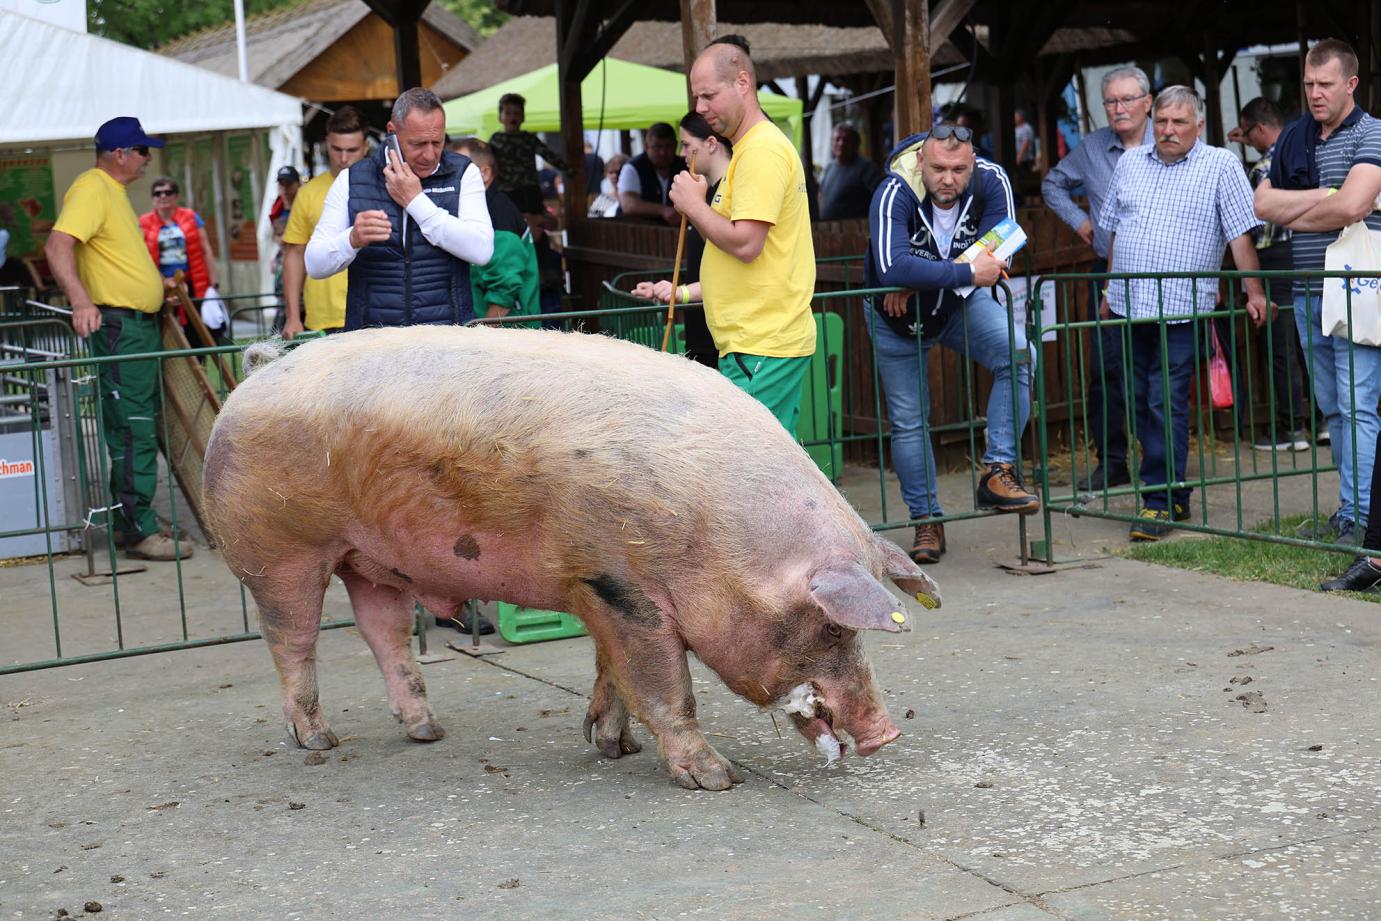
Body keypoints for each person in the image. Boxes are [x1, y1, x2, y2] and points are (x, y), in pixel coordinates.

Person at [1101, 86, 1267, 542]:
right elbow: (1116, 231)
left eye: (1178, 122)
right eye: (1161, 122)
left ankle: (1156, 501)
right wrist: (1108, 287)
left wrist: (1253, 291)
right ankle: (1173, 492)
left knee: (1164, 399)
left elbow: (1240, 239)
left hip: (1183, 309)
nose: (1168, 130)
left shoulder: (1220, 165)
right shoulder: (1130, 162)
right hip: (1128, 307)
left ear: (1198, 125)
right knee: (1136, 399)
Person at [864, 122, 1035, 565]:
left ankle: (997, 471)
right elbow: (890, 268)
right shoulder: (894, 190)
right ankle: (926, 519)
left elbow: (1002, 251)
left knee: (1019, 354)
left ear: (972, 163)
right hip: (895, 315)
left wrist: (921, 278)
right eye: (938, 168)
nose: (948, 179)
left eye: (959, 169)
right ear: (921, 161)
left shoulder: (991, 180)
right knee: (909, 420)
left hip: (958, 304)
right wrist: (959, 272)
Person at [44, 116, 194, 562]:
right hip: (119, 327)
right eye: (143, 151)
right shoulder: (93, 187)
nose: (149, 160)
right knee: (133, 427)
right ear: (120, 154)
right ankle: (138, 529)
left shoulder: (112, 193)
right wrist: (81, 302)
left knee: (138, 423)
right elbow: (57, 245)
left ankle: (136, 520)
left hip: (135, 325)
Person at [1254, 38, 1381, 547]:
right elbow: (1262, 204)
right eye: (1308, 84)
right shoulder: (1293, 137)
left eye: (1324, 84)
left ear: (1350, 83)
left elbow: (1352, 206)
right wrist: (1321, 199)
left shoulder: (1373, 134)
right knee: (1331, 406)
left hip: (1357, 289)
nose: (1314, 94)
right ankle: (1351, 512)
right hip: (1306, 289)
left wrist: (1308, 207)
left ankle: (1365, 519)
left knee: (1358, 404)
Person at [669, 34, 816, 435]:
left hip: (762, 344)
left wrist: (693, 205)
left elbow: (747, 244)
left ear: (742, 83)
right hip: (755, 343)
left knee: (748, 479)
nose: (699, 108)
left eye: (708, 96)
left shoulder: (761, 152)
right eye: (697, 97)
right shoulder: (750, 149)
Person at [1042, 65, 1156, 492]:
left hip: (1158, 273)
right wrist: (1082, 222)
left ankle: (1157, 460)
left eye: (1128, 99)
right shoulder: (1091, 147)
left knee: (1154, 369)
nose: (1119, 108)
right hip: (1107, 272)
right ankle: (1111, 462)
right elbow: (1052, 184)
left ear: (1147, 102)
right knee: (1105, 371)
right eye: (1111, 101)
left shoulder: (1165, 141)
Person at [305, 88, 493, 330]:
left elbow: (482, 250)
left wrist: (416, 202)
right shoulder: (352, 179)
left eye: (437, 142)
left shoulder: (463, 173)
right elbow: (314, 264)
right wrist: (351, 239)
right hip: (372, 339)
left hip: (447, 337)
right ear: (392, 132)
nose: (429, 154)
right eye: (417, 144)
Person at [1226, 97, 1311, 452]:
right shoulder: (1305, 155)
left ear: (1260, 130)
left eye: (1248, 133)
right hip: (1308, 254)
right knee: (1309, 336)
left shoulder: (1263, 169)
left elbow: (1250, 223)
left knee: (1280, 344)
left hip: (1274, 257)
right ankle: (1319, 420)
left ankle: (1291, 428)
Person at [630, 112, 734, 368]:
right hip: (705, 330)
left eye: (686, 144)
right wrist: (670, 290)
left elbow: (734, 267)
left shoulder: (731, 191)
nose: (681, 153)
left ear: (711, 144)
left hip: (727, 338)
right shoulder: (705, 192)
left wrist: (681, 292)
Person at [280, 105, 368, 339]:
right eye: (336, 149)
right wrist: (293, 316)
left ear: (366, 147)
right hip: (323, 317)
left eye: (352, 150)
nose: (343, 158)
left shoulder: (386, 184)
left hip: (373, 312)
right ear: (326, 143)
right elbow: (294, 254)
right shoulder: (308, 193)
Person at [450, 138, 540, 322]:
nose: (450, 173)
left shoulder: (499, 214)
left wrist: (479, 339)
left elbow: (504, 294)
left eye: (459, 167)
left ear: (484, 173)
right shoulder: (476, 209)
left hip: (507, 341)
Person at [138, 177, 217, 309]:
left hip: (192, 281)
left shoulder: (191, 216)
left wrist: (214, 283)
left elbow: (206, 250)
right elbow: (141, 256)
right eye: (157, 193)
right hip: (159, 283)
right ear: (153, 199)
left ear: (176, 196)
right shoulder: (143, 222)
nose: (163, 196)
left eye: (168, 192)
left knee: (196, 325)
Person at [488, 93, 571, 215]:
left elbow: (549, 156)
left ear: (523, 117)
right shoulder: (495, 139)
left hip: (529, 190)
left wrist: (569, 170)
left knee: (535, 223)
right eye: (508, 113)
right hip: (505, 191)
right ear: (500, 117)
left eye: (517, 113)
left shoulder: (529, 138)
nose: (513, 117)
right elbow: (488, 163)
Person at [618, 122, 688, 225]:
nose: (662, 152)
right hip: (639, 232)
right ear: (647, 146)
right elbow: (628, 205)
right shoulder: (632, 168)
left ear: (676, 145)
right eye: (657, 147)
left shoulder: (684, 166)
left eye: (668, 146)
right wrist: (663, 210)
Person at [818, 124, 883, 221]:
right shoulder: (829, 167)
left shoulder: (866, 168)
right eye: (837, 139)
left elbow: (882, 197)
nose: (841, 143)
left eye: (846, 140)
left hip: (857, 231)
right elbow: (821, 194)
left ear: (856, 144)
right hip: (828, 231)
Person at [588, 153, 628, 218]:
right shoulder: (603, 200)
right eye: (611, 172)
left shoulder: (637, 197)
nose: (614, 175)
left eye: (618, 172)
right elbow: (592, 219)